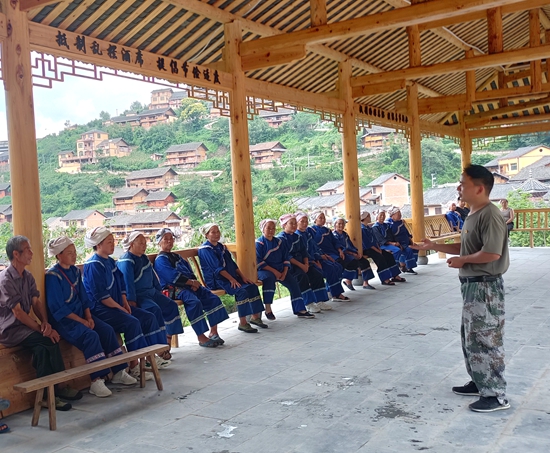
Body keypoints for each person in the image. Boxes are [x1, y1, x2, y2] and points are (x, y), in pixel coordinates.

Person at [412, 165, 510, 413]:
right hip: (472, 286)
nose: (459, 187)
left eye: (463, 183)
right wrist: (436, 245)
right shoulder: (473, 213)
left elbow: (491, 252)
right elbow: (467, 247)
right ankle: (480, 381)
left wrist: (464, 261)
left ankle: (496, 395)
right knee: (471, 337)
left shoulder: (490, 214)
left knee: (487, 338)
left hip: (485, 287)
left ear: (479, 188)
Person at [46, 236, 137, 398]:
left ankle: (118, 371)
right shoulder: (53, 276)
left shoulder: (74, 271)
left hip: (82, 316)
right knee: (90, 336)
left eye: (74, 252)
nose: (74, 256)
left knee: (107, 330)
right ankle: (96, 379)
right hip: (66, 321)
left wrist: (89, 317)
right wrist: (82, 321)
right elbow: (58, 308)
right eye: (69, 253)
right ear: (59, 255)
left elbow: (84, 298)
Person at [0, 235, 81, 411]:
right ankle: (53, 391)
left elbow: (36, 302)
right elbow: (18, 313)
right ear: (16, 254)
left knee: (44, 346)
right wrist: (43, 330)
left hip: (25, 327)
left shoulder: (27, 276)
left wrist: (45, 323)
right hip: (10, 329)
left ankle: (53, 391)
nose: (31, 253)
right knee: (46, 340)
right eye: (27, 249)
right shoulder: (5, 279)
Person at [83, 227, 166, 380]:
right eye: (109, 242)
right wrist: (121, 308)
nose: (113, 244)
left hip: (117, 306)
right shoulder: (93, 264)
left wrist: (125, 303)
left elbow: (121, 285)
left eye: (112, 241)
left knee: (147, 317)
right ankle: (135, 365)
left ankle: (150, 356)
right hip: (102, 309)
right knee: (132, 322)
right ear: (99, 244)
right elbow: (101, 296)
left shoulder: (109, 261)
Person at [154, 228, 231, 344]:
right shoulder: (160, 260)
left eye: (171, 239)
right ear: (159, 242)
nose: (169, 241)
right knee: (194, 302)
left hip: (188, 285)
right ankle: (201, 337)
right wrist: (191, 283)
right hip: (174, 289)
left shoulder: (177, 256)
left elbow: (188, 270)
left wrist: (195, 282)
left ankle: (214, 333)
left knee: (211, 297)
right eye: (166, 239)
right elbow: (172, 277)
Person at [117, 231, 183, 360]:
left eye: (145, 243)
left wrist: (158, 290)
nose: (144, 245)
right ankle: (157, 348)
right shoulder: (127, 260)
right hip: (139, 296)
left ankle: (166, 342)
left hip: (152, 293)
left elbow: (153, 276)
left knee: (170, 305)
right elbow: (127, 282)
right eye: (140, 243)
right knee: (154, 310)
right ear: (131, 244)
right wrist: (131, 300)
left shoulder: (143, 257)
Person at [197, 223, 267, 330]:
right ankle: (243, 323)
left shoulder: (221, 247)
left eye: (218, 231)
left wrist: (242, 277)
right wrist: (232, 279)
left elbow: (232, 264)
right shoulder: (205, 250)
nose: (216, 234)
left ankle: (255, 317)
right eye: (213, 232)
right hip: (218, 280)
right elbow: (217, 269)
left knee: (251, 286)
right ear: (206, 235)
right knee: (240, 291)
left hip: (230, 277)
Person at [256, 219, 315, 319]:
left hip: (281, 269)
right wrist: (275, 272)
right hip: (265, 270)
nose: (271, 230)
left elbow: (286, 258)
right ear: (263, 229)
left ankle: (300, 309)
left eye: (273, 228)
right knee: (269, 279)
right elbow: (259, 262)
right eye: (268, 228)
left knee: (293, 283)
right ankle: (268, 308)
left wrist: (284, 272)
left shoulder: (279, 242)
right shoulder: (259, 243)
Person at [277, 214, 332, 313]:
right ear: (284, 225)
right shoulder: (281, 238)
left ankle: (320, 300)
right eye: (291, 223)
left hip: (303, 263)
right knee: (302, 277)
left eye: (295, 223)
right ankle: (308, 303)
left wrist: (306, 264)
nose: (294, 225)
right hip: (291, 266)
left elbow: (304, 252)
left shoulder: (298, 236)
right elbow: (287, 256)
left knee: (316, 274)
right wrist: (301, 265)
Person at [295, 212, 348, 301]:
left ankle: (332, 292)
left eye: (306, 221)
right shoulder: (307, 232)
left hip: (319, 256)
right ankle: (330, 295)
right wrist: (315, 261)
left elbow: (315, 247)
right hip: (308, 261)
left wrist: (324, 255)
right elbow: (303, 253)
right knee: (327, 270)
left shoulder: (308, 233)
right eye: (302, 221)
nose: (305, 223)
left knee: (337, 266)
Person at [310, 212, 359, 292]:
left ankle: (335, 288)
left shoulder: (327, 230)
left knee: (349, 262)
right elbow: (313, 245)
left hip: (333, 252)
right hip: (323, 253)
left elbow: (335, 241)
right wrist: (322, 254)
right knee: (338, 265)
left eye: (324, 218)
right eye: (320, 218)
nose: (323, 220)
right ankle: (332, 289)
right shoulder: (312, 230)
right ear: (315, 219)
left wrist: (340, 250)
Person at [360, 211, 405, 286]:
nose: (370, 217)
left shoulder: (367, 227)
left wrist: (378, 248)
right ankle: (385, 279)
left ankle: (395, 275)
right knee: (380, 258)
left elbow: (374, 240)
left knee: (388, 255)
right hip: (367, 249)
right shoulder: (362, 229)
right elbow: (367, 243)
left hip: (374, 247)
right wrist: (377, 250)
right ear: (365, 218)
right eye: (368, 216)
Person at [332, 217, 375, 290]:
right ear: (335, 225)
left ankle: (365, 283)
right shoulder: (334, 235)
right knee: (354, 262)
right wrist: (352, 254)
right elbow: (341, 248)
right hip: (344, 254)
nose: (341, 225)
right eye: (339, 224)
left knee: (364, 261)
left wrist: (357, 252)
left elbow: (351, 245)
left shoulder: (345, 234)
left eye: (342, 224)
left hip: (351, 253)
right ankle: (348, 281)